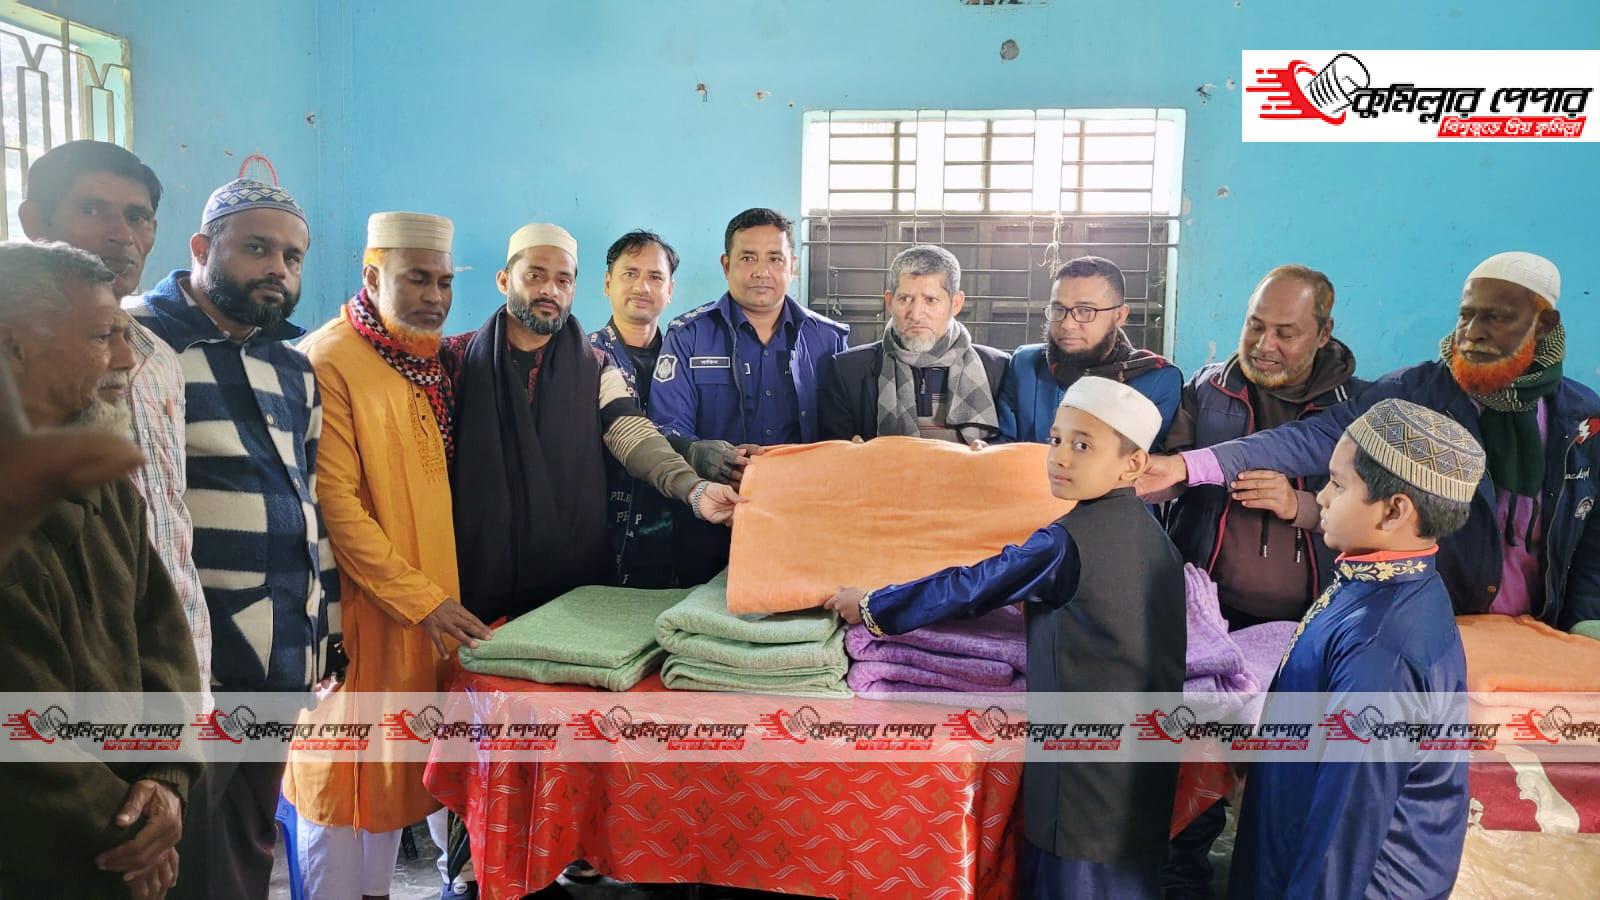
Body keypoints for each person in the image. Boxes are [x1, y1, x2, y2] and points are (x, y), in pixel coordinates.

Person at [827, 375, 1185, 898]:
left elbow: (971, 587)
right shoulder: (1157, 537)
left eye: (1083, 446)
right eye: (1056, 439)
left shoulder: (1065, 544)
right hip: (1143, 764)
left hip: (1082, 776)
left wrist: (871, 605)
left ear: (1132, 464)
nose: (1060, 457)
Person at [1139, 252, 1600, 635]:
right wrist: (1187, 467)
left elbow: (1590, 533)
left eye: (1497, 317)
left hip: (1542, 629)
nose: (1473, 331)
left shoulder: (1581, 417)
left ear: (1543, 324)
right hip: (1439, 621)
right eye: (1466, 315)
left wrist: (1584, 622)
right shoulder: (1416, 394)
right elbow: (1315, 438)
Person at [129, 176, 339, 900]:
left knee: (247, 845)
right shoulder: (138, 342)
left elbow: (308, 502)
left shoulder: (294, 367)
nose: (277, 268)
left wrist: (325, 634)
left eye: (292, 256)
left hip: (278, 655)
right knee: (177, 850)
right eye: (257, 249)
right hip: (185, 664)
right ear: (201, 247)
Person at [0, 240, 201, 899]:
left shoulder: (102, 477)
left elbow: (162, 636)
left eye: (122, 334)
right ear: (14, 347)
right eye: (99, 337)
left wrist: (165, 779)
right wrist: (133, 832)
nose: (124, 359)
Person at [1231, 398, 1480, 898]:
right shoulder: (1377, 580)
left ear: (1394, 511)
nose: (1321, 498)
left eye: (1338, 485)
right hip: (1295, 833)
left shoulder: (1384, 649)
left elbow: (1344, 838)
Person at [439, 222, 742, 625]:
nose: (550, 290)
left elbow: (632, 434)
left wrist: (694, 489)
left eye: (563, 280)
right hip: (474, 568)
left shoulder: (593, 366)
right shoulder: (454, 360)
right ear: (503, 280)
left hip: (567, 573)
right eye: (535, 276)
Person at [19, 140, 213, 708]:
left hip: (178, 675)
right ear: (34, 222)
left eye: (137, 217)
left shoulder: (159, 360)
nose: (120, 235)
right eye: (91, 209)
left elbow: (169, 520)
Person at [648, 208, 849, 582]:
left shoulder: (828, 339)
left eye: (774, 258)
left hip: (803, 522)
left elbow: (843, 436)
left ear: (793, 265)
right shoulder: (688, 336)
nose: (761, 271)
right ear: (726, 265)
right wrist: (700, 453)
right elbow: (664, 427)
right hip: (712, 520)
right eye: (747, 258)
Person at [589, 229, 743, 587]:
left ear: (670, 290)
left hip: (687, 534)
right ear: (607, 283)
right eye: (630, 273)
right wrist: (689, 452)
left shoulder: (689, 358)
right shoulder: (585, 358)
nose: (642, 286)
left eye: (655, 277)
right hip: (605, 538)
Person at [817, 243, 1007, 445]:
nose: (916, 315)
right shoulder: (847, 370)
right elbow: (832, 452)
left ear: (956, 303)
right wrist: (850, 453)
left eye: (931, 300)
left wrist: (991, 453)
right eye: (905, 299)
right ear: (889, 302)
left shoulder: (997, 368)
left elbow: (1012, 448)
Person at [998, 255, 1180, 447]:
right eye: (1058, 309)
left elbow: (1140, 462)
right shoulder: (1025, 364)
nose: (1067, 324)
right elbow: (1000, 448)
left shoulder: (1156, 380)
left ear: (1119, 316)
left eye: (1085, 310)